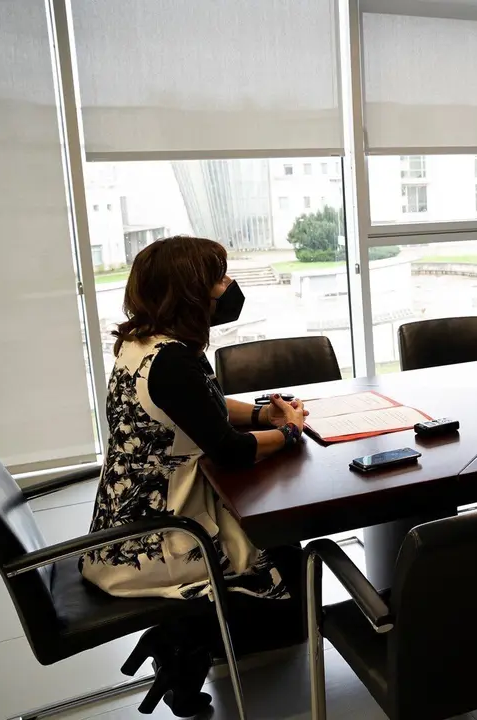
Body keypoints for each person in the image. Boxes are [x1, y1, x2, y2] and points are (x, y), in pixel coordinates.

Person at [81, 236, 309, 717]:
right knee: (289, 576)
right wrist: (289, 433)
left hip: (120, 527)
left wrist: (263, 416)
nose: (228, 287)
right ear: (190, 291)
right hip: (159, 539)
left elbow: (199, 408)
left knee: (280, 546)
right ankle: (184, 641)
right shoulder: (174, 360)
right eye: (219, 279)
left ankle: (189, 644)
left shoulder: (143, 342)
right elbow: (228, 452)